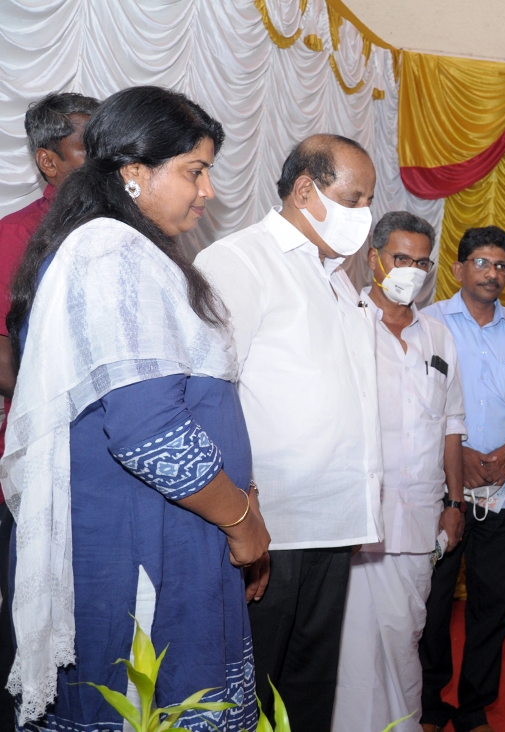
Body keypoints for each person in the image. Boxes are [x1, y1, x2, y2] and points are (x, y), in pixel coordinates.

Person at [2, 85, 269, 731]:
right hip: (142, 541)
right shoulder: (111, 253)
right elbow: (150, 432)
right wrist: (242, 522)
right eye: (194, 171)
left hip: (175, 527)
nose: (207, 191)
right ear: (133, 172)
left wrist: (243, 505)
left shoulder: (130, 249)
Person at [194, 134, 384, 732]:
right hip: (269, 525)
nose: (365, 216)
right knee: (252, 691)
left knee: (307, 691)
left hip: (332, 521)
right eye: (353, 200)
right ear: (305, 190)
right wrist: (241, 512)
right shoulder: (239, 261)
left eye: (369, 201)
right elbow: (209, 395)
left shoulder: (338, 277)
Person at [333, 211, 466, 732]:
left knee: (403, 640)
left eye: (421, 262)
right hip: (356, 520)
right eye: (400, 258)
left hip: (419, 519)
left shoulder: (439, 337)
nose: (411, 270)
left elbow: (452, 425)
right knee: (349, 649)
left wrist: (454, 504)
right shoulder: (345, 323)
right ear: (374, 259)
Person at [0, 90, 100, 729]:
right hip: (33, 459)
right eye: (88, 147)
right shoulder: (13, 236)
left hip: (107, 464)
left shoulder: (122, 234)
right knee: (25, 621)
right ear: (48, 160)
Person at [419, 226, 505, 732]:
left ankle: (474, 708)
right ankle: (429, 705)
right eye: (482, 263)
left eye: (501, 265)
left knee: (493, 605)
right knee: (433, 603)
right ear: (459, 269)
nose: (493, 273)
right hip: (442, 491)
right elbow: (417, 404)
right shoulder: (430, 323)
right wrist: (459, 456)